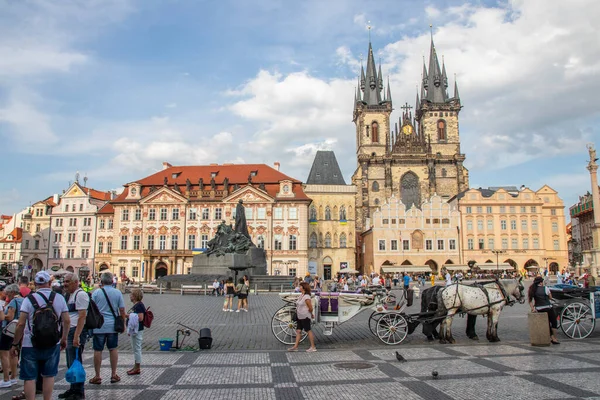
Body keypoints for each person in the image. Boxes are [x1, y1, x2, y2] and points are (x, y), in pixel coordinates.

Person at [11, 271, 70, 400]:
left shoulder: (28, 299)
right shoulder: (59, 298)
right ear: (49, 283)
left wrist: (15, 343)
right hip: (53, 343)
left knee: (30, 378)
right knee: (48, 376)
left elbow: (20, 324)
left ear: (36, 284)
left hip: (30, 343)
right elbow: (66, 320)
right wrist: (64, 338)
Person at [90, 272, 126, 385]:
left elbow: (92, 309)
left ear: (101, 281)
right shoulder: (117, 293)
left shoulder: (96, 293)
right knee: (113, 349)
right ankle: (113, 374)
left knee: (98, 350)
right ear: (112, 281)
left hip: (99, 326)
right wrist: (123, 324)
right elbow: (122, 310)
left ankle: (97, 375)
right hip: (113, 326)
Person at [60, 273, 89, 400]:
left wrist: (77, 336)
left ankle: (79, 391)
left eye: (68, 281)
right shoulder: (69, 295)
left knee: (75, 361)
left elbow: (82, 316)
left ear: (76, 282)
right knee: (71, 362)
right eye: (64, 281)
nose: (65, 284)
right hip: (70, 331)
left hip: (76, 331)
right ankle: (73, 388)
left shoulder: (80, 294)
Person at [528, 276, 560, 344]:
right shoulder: (545, 288)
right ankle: (554, 338)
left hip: (539, 308)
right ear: (541, 282)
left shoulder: (532, 289)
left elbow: (530, 301)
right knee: (554, 322)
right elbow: (550, 297)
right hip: (548, 307)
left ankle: (552, 337)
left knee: (547, 323)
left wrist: (533, 309)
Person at [1, 284, 21, 388]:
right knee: (14, 353)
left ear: (12, 292)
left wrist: (2, 315)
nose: (7, 295)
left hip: (9, 330)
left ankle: (6, 379)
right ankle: (13, 377)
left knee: (4, 354)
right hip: (18, 330)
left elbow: (10, 317)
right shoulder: (22, 299)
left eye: (8, 293)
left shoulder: (13, 301)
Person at [287, 282, 316, 353]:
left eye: (300, 286)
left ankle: (313, 347)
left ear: (304, 288)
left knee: (308, 330)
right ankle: (295, 347)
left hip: (305, 316)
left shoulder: (306, 297)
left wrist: (311, 313)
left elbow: (310, 307)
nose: (299, 287)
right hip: (299, 316)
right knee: (298, 331)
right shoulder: (301, 295)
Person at [126, 289, 145, 376]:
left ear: (135, 296)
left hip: (138, 330)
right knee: (135, 348)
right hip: (135, 330)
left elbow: (140, 318)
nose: (130, 296)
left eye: (131, 295)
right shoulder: (136, 305)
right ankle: (135, 366)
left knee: (137, 348)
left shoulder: (139, 305)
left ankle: (137, 367)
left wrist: (127, 315)